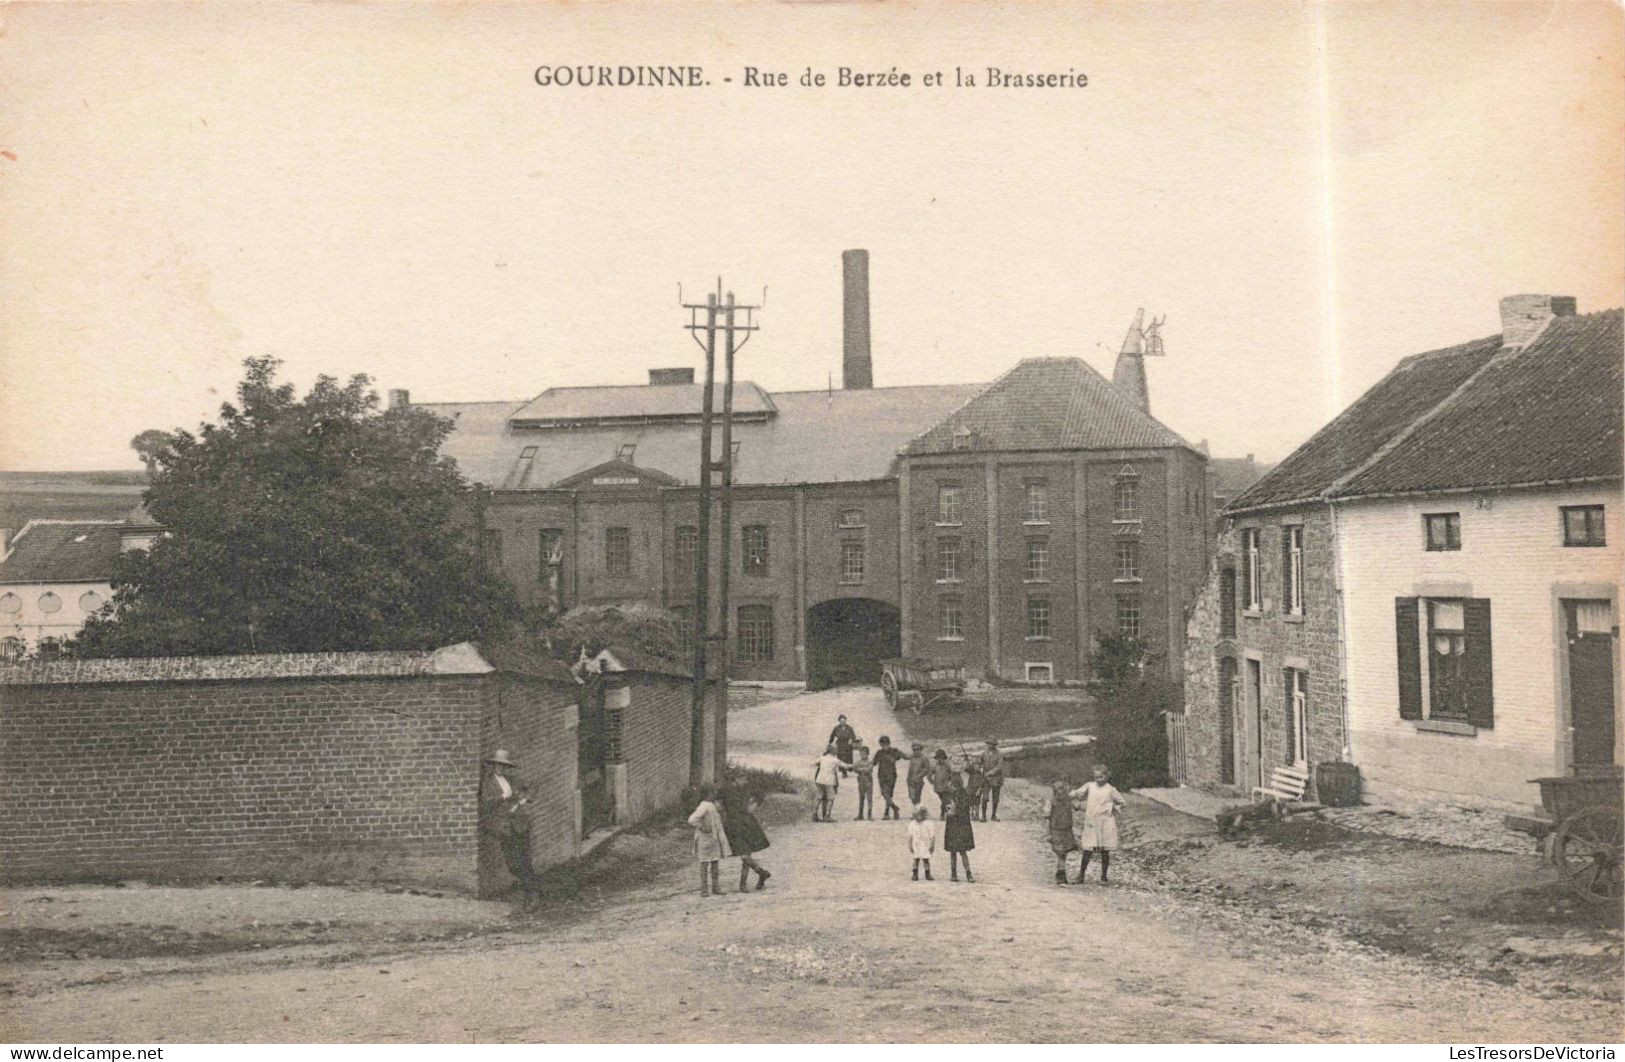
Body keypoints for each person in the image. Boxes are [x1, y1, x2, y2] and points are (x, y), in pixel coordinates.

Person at [1070, 764, 1127, 884]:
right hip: (1091, 821)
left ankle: (1104, 877)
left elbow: (1122, 802)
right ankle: (1081, 875)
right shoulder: (1089, 786)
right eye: (1096, 777)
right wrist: (1071, 795)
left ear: (1107, 776)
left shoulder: (1110, 789)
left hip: (1105, 822)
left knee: (1105, 850)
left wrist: (1113, 807)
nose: (1098, 779)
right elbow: (1077, 793)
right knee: (1088, 848)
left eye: (1101, 777)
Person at [720, 786, 773, 892]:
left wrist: (748, 804)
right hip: (735, 827)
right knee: (744, 856)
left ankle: (743, 884)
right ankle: (761, 873)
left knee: (746, 856)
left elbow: (748, 810)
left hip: (747, 827)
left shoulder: (749, 797)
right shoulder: (729, 793)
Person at [500, 784, 540, 910]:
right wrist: (501, 797)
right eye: (498, 765)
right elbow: (486, 802)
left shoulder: (512, 780)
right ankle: (532, 887)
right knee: (512, 865)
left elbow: (533, 787)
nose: (500, 768)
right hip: (505, 828)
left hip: (520, 826)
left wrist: (525, 799)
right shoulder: (488, 784)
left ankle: (531, 895)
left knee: (525, 861)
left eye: (503, 766)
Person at [686, 785, 732, 897]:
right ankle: (704, 889)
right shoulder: (704, 805)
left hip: (713, 839)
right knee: (704, 863)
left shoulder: (711, 805)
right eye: (712, 793)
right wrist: (701, 827)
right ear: (707, 794)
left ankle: (715, 887)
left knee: (715, 862)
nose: (714, 795)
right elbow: (692, 820)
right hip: (705, 839)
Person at [1044, 779, 1080, 885]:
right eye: (1058, 793)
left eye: (1063, 793)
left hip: (1066, 830)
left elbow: (1078, 806)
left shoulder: (1069, 800)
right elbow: (1047, 818)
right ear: (1054, 793)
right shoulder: (1051, 802)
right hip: (1055, 830)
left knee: (1064, 852)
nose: (1061, 796)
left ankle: (1060, 872)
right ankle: (1061, 875)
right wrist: (1048, 833)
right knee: (1060, 852)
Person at [943, 779, 976, 882]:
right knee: (953, 851)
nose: (949, 787)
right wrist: (947, 810)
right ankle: (954, 873)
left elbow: (963, 810)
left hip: (961, 827)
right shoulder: (949, 794)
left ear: (955, 785)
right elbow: (945, 806)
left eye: (951, 785)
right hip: (952, 826)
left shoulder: (963, 795)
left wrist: (953, 812)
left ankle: (968, 873)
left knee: (962, 851)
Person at [872, 735, 906, 819]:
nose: (884, 746)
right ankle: (894, 808)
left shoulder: (894, 751)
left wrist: (916, 756)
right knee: (884, 793)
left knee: (888, 793)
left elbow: (905, 756)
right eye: (882, 745)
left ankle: (887, 812)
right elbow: (873, 763)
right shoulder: (879, 753)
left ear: (889, 744)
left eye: (885, 744)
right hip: (881, 776)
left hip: (891, 775)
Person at [844, 741, 875, 820]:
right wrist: (863, 769)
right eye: (861, 754)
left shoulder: (870, 761)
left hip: (868, 781)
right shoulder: (858, 761)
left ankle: (869, 814)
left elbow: (869, 769)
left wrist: (860, 769)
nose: (862, 755)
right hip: (861, 781)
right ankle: (860, 814)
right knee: (861, 798)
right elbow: (854, 769)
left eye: (864, 754)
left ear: (867, 754)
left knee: (869, 798)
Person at [813, 745, 843, 822]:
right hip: (829, 781)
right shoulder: (834, 760)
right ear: (832, 751)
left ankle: (814, 814)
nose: (837, 751)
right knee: (830, 799)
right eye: (836, 750)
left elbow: (814, 763)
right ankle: (827, 815)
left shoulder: (822, 759)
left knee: (818, 798)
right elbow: (845, 766)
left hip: (820, 780)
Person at [907, 804, 936, 881]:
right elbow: (910, 836)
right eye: (915, 816)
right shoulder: (912, 824)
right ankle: (915, 874)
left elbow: (932, 836)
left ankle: (927, 873)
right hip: (916, 844)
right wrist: (910, 845)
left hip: (925, 844)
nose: (916, 818)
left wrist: (932, 845)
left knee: (926, 859)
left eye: (918, 816)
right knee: (916, 859)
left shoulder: (928, 823)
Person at [929, 749, 959, 819]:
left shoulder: (947, 766)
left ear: (944, 758)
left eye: (942, 758)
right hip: (938, 788)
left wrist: (950, 782)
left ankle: (943, 814)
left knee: (945, 800)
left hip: (946, 787)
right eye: (938, 758)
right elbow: (929, 776)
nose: (940, 760)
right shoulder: (934, 766)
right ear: (936, 759)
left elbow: (951, 775)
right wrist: (932, 782)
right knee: (944, 801)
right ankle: (944, 813)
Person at [980, 739, 1006, 821]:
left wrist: (990, 773)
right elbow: (979, 763)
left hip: (996, 779)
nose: (989, 745)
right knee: (984, 797)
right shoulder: (984, 753)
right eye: (988, 743)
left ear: (995, 745)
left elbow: (999, 766)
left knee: (995, 798)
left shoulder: (999, 754)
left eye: (991, 744)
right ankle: (983, 816)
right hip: (986, 779)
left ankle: (993, 815)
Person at [905, 742, 931, 807]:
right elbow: (905, 756)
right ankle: (918, 810)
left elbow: (927, 768)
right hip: (910, 780)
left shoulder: (924, 758)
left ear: (920, 750)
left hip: (919, 781)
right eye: (914, 750)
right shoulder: (912, 757)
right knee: (912, 796)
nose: (916, 751)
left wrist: (920, 775)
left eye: (917, 749)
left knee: (917, 797)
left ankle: (918, 811)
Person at [964, 757, 988, 822]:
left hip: (977, 790)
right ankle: (971, 814)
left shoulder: (981, 774)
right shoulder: (971, 772)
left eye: (978, 765)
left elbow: (982, 783)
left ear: (980, 767)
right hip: (971, 789)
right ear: (973, 766)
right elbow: (966, 769)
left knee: (977, 803)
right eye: (975, 765)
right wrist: (967, 762)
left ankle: (976, 815)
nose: (976, 767)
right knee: (971, 802)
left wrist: (979, 790)